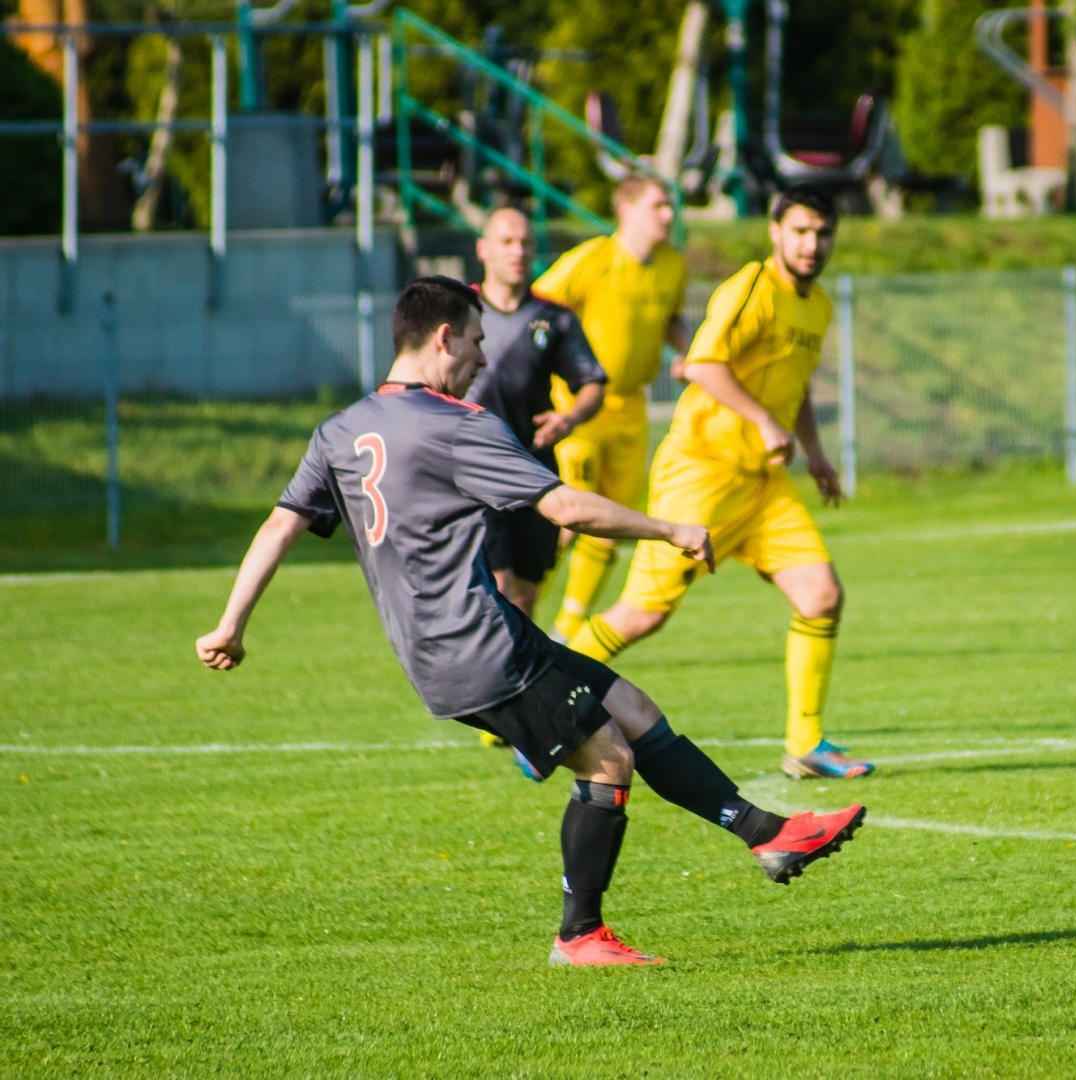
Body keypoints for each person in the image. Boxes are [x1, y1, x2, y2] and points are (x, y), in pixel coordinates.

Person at [194, 277, 864, 966]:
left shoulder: (338, 429)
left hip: (449, 643)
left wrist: (229, 625)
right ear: (444, 336)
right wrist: (669, 527)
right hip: (477, 645)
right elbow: (566, 508)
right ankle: (580, 937)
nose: (483, 361)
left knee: (630, 708)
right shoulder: (457, 424)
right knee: (609, 758)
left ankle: (769, 835)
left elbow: (282, 524)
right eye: (478, 343)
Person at [565, 184, 874, 781]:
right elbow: (703, 363)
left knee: (822, 595)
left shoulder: (818, 306)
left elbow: (796, 384)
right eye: (802, 231)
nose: (813, 244)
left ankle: (805, 744)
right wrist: (762, 419)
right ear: (775, 231)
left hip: (762, 484)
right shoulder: (751, 287)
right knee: (640, 616)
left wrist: (815, 454)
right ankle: (544, 711)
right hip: (700, 473)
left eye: (823, 233)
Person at [533, 174, 690, 643]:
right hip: (578, 407)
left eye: (670, 206)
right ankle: (519, 613)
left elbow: (671, 321)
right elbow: (538, 308)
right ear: (627, 210)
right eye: (658, 205)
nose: (668, 215)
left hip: (631, 408)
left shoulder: (672, 266)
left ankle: (566, 628)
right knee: (566, 519)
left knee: (611, 525)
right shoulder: (591, 260)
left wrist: (689, 352)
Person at [468, 207, 607, 618]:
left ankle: (518, 680)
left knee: (525, 594)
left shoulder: (554, 318)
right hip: (476, 469)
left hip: (533, 466)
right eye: (507, 242)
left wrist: (570, 418)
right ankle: (496, 678)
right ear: (483, 250)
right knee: (498, 586)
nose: (518, 251)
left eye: (526, 243)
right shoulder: (458, 313)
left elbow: (593, 384)